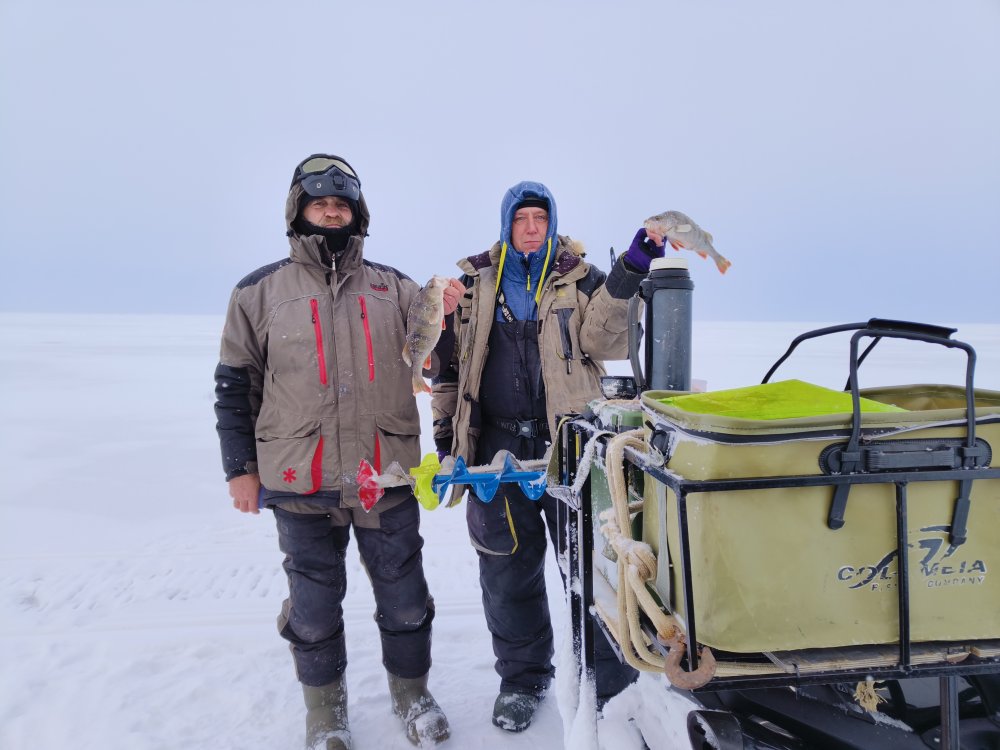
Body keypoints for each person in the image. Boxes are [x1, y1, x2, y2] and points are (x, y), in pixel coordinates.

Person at [214, 154, 461, 750]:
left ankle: (412, 695)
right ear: (298, 210)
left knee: (405, 599)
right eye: (319, 203)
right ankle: (326, 713)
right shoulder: (258, 291)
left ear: (358, 213)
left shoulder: (397, 288)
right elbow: (235, 386)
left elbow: (438, 358)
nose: (331, 213)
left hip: (386, 472)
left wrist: (450, 315)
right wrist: (240, 469)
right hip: (301, 478)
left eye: (341, 204)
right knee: (314, 607)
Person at [430, 181, 664, 731]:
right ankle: (523, 680)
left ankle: (610, 685)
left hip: (572, 445)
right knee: (506, 569)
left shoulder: (582, 278)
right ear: (506, 225)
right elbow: (446, 369)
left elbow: (607, 342)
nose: (532, 228)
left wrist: (632, 268)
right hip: (495, 450)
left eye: (540, 217)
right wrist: (446, 441)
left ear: (552, 223)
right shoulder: (471, 285)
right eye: (522, 219)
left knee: (593, 568)